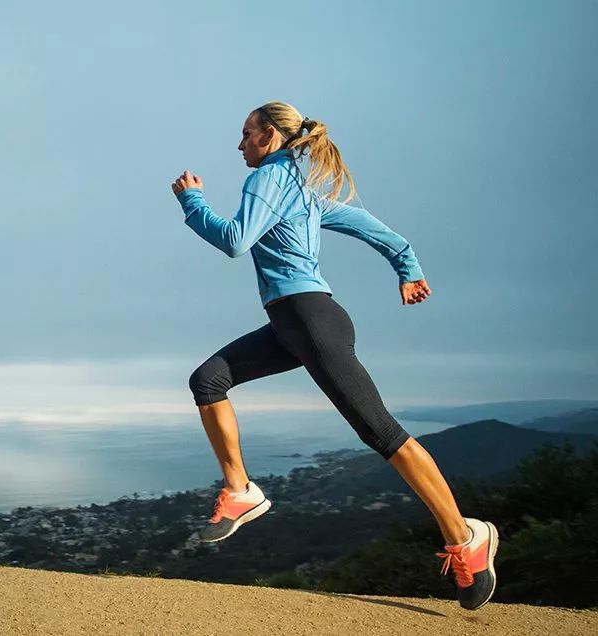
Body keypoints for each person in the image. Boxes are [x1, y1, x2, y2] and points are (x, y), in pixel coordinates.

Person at [170, 101, 498, 610]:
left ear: (272, 137)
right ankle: (241, 490)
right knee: (208, 380)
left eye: (246, 134)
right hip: (292, 324)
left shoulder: (270, 179)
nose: (239, 145)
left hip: (312, 323)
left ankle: (465, 538)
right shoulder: (300, 189)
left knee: (382, 434)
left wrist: (194, 203)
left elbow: (236, 242)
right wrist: (406, 266)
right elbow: (369, 225)